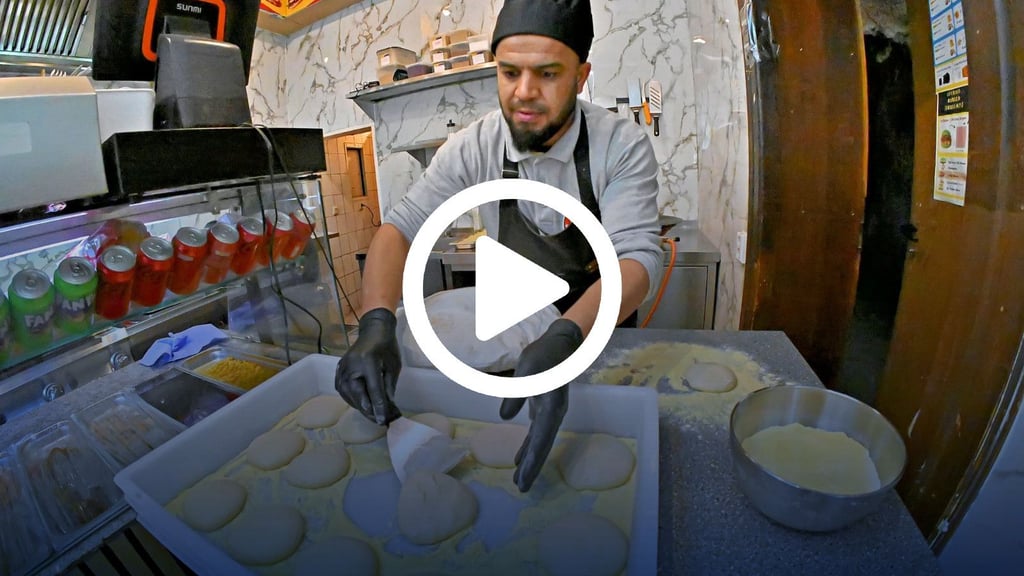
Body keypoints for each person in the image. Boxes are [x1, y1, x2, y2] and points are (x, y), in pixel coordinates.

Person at [335, 0, 663, 492]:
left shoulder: (620, 144)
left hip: (601, 340)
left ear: (581, 75)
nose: (524, 93)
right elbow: (399, 228)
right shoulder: (475, 147)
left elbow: (636, 257)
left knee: (595, 471)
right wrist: (376, 321)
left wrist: (567, 336)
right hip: (514, 342)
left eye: (548, 74)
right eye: (509, 73)